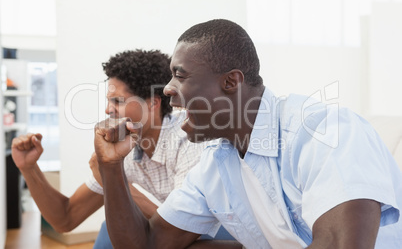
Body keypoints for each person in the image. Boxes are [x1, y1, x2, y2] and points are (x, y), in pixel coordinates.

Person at [94, 19, 402, 249]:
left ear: (230, 82)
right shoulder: (216, 163)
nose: (167, 89)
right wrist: (111, 167)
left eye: (180, 76)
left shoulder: (327, 132)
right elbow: (147, 244)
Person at [11, 49, 207, 248]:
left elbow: (186, 228)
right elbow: (66, 218)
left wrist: (113, 177)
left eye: (118, 101)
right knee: (110, 229)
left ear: (152, 103)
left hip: (208, 234)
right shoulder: (126, 146)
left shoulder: (189, 137)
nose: (107, 109)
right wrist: (29, 168)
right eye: (109, 100)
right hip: (174, 233)